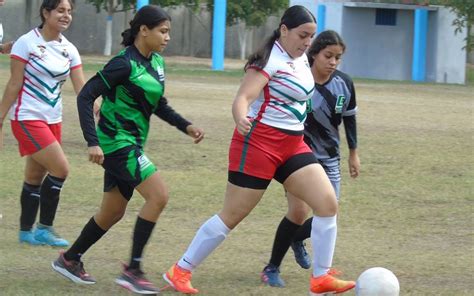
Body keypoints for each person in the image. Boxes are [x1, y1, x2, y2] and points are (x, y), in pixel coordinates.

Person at [162, 6, 355, 295]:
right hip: (258, 144)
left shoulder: (302, 58)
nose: (307, 43)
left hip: (292, 144)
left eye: (311, 37)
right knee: (233, 214)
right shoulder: (268, 61)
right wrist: (241, 117)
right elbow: (244, 97)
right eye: (303, 35)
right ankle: (180, 270)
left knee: (327, 203)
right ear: (284, 30)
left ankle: (321, 277)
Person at [51, 5, 204, 295]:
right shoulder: (123, 64)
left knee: (112, 212)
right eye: (162, 31)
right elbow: (86, 96)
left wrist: (186, 126)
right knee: (159, 195)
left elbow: (158, 104)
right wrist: (92, 141)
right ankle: (133, 270)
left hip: (131, 142)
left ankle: (69, 259)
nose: (167, 37)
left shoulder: (157, 63)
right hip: (115, 143)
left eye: (169, 31)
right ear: (143, 30)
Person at [261, 30, 360, 288]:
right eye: (328, 56)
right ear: (314, 53)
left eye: (338, 58)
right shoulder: (298, 80)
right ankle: (271, 267)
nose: (333, 62)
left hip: (329, 158)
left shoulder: (344, 83)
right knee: (298, 211)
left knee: (329, 210)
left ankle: (308, 253)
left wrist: (353, 153)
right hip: (297, 157)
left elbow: (349, 118)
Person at [0, 0, 85, 247]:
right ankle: (44, 229)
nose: (66, 15)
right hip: (27, 118)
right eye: (60, 10)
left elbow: (82, 88)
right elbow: (14, 83)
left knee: (36, 176)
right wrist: (1, 117)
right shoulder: (27, 43)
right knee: (61, 169)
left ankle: (25, 231)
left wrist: (99, 107)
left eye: (69, 11)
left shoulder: (70, 49)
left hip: (53, 119)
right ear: (45, 13)